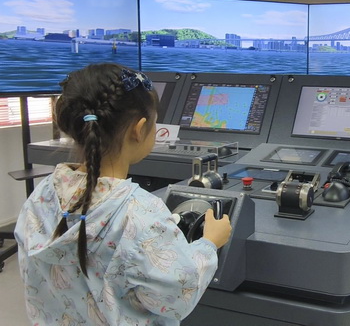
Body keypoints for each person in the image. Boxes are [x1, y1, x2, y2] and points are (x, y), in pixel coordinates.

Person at [15, 63, 232, 325]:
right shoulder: (141, 213)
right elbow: (176, 295)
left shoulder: (40, 196)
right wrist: (209, 244)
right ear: (139, 129)